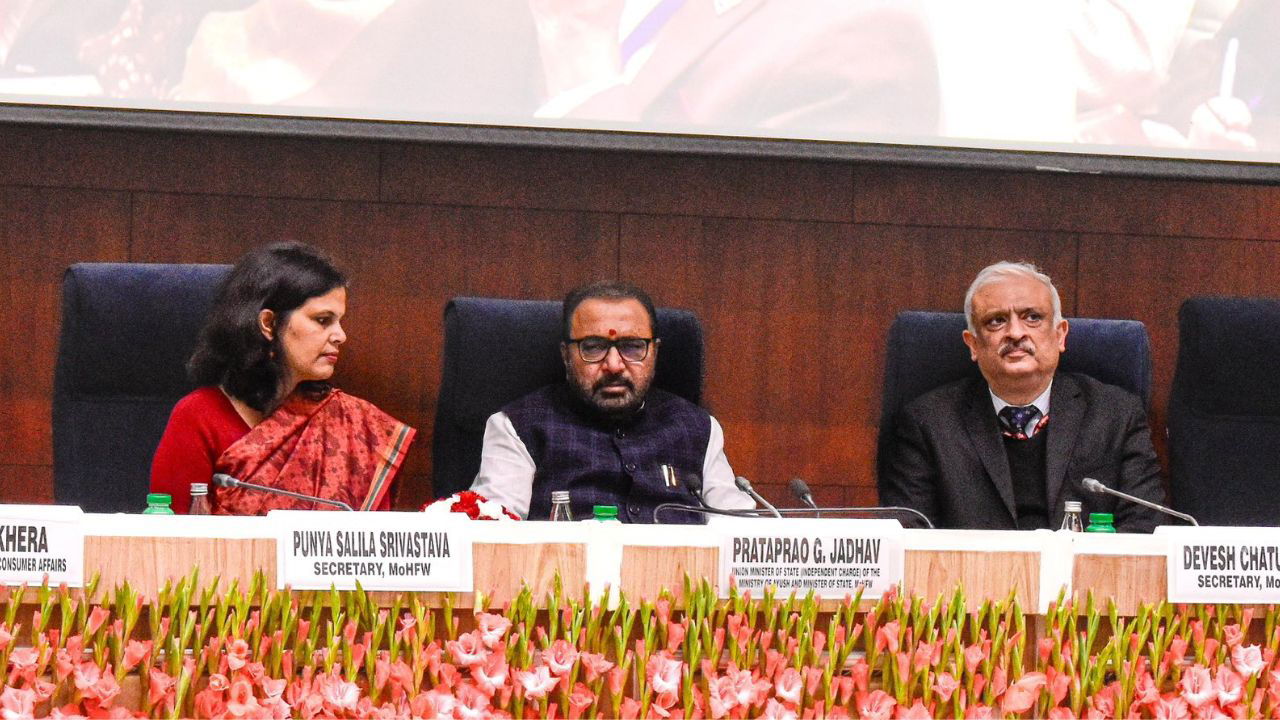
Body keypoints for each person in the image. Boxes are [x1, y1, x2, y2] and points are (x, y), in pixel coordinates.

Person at [878, 261, 1164, 532]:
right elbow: (909, 537)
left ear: (1060, 335)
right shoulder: (928, 424)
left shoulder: (1115, 415)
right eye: (996, 321)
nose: (1015, 333)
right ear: (973, 344)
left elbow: (1145, 528)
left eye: (1032, 317)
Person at [150, 242, 415, 514]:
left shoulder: (354, 424)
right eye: (323, 320)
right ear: (268, 324)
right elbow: (171, 543)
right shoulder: (199, 417)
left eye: (340, 321)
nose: (340, 336)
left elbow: (372, 546)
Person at [470, 281, 754, 523]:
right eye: (593, 347)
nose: (615, 365)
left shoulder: (699, 429)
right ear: (566, 355)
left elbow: (740, 536)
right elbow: (494, 533)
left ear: (654, 352)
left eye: (632, 346)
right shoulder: (518, 426)